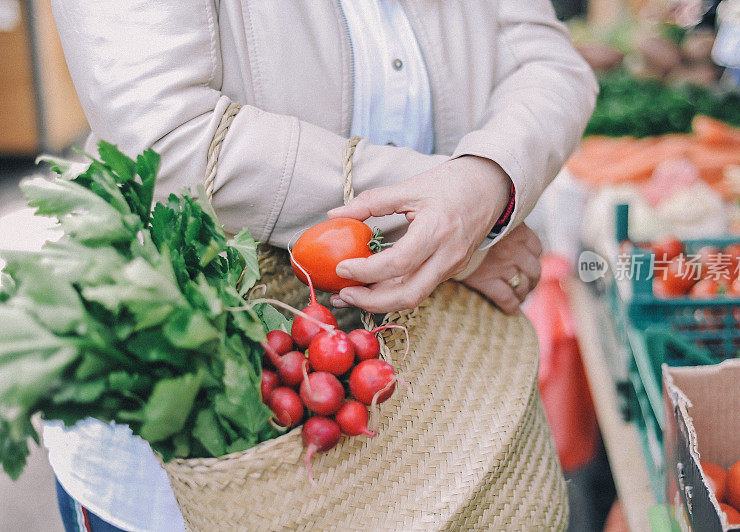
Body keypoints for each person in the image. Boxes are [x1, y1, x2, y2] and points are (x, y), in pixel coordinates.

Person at [47, 0, 597, 529]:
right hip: (200, 416)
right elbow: (167, 139)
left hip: (431, 407)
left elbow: (544, 59)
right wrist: (439, 218)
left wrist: (487, 178)